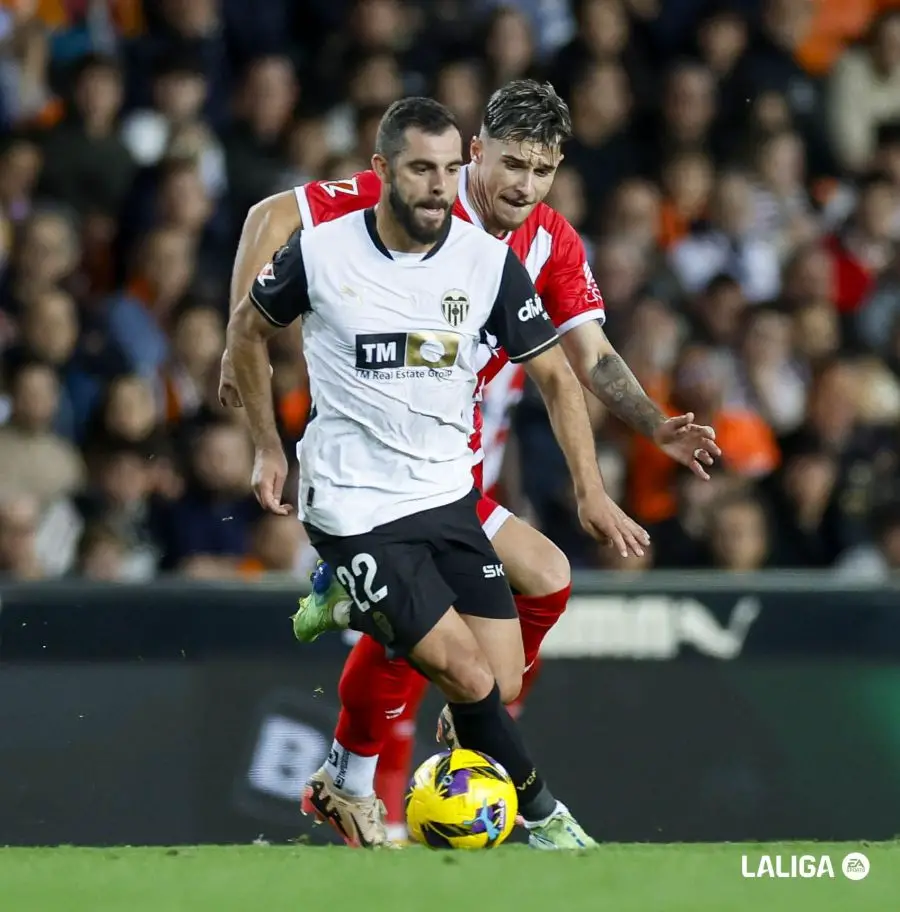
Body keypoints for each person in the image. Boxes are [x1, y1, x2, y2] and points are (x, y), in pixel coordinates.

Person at [220, 81, 720, 840]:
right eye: (512, 163)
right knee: (424, 629)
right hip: (373, 472)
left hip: (452, 475)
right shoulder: (421, 192)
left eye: (544, 169)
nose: (524, 184)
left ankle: (442, 717)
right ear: (475, 152)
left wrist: (653, 424)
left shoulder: (548, 242)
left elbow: (588, 357)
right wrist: (238, 334)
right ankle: (372, 779)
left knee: (545, 584)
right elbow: (272, 215)